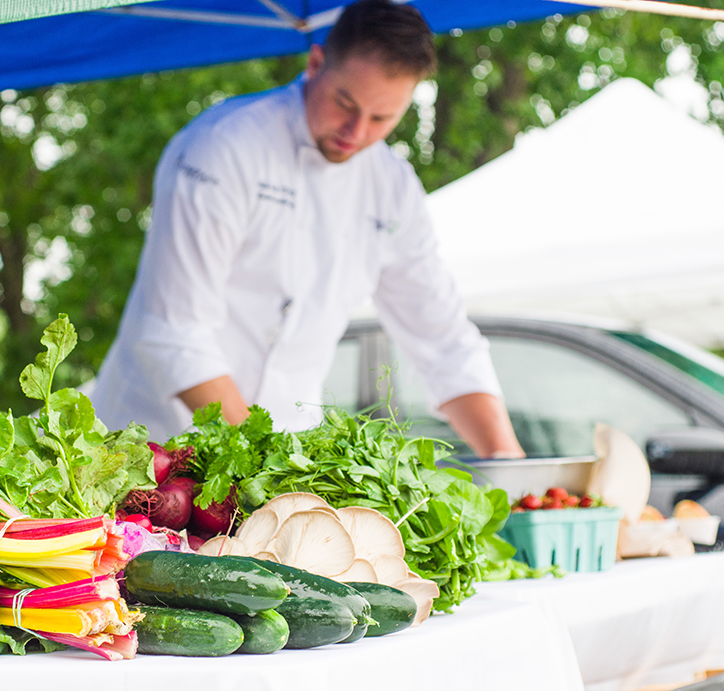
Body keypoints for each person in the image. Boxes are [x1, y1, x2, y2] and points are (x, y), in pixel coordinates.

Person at [89, 0, 524, 458]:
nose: (355, 133)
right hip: (154, 446)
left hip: (286, 451)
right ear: (315, 63)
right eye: (345, 104)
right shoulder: (222, 147)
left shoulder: (393, 189)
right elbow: (175, 334)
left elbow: (442, 339)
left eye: (381, 119)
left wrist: (508, 461)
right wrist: (261, 464)